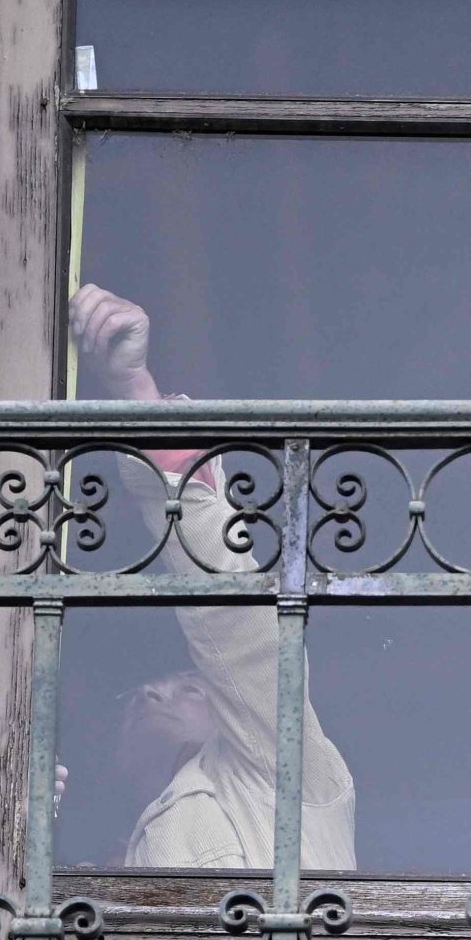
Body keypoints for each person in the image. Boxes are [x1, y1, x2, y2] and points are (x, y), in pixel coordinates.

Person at [73, 282, 356, 873]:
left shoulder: (282, 774)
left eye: (189, 688)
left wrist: (134, 389)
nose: (154, 695)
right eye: (137, 696)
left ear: (229, 706)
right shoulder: (99, 862)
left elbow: (240, 626)